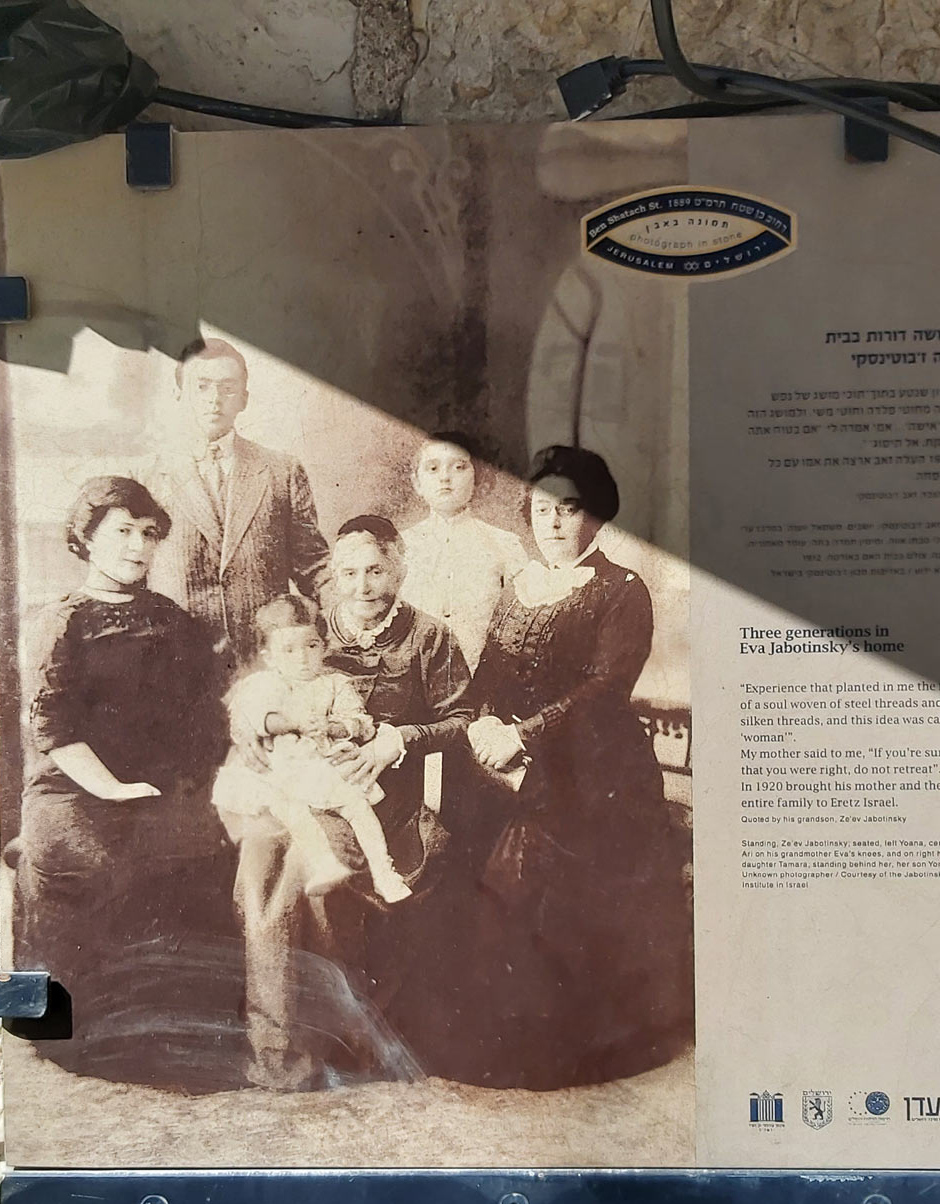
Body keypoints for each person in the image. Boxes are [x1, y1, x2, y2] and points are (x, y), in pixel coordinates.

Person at [448, 445, 694, 1091]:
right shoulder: (520, 586)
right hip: (516, 764)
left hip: (597, 772)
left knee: (532, 868)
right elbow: (488, 677)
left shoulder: (622, 590)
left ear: (597, 516)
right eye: (541, 508)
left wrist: (523, 735)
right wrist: (480, 720)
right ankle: (497, 1032)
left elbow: (605, 687)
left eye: (569, 508)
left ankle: (559, 1045)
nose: (552, 521)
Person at [12, 476, 240, 1089]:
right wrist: (115, 790)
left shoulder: (174, 619)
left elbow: (209, 712)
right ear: (85, 539)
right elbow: (54, 733)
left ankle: (177, 1035)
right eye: (121, 531)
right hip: (74, 788)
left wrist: (194, 787)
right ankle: (78, 1034)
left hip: (158, 787)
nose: (138, 546)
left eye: (148, 534)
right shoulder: (60, 622)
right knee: (107, 866)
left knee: (205, 858)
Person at [228, 516, 473, 1075]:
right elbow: (255, 710)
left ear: (399, 567)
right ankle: (276, 1043)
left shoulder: (429, 636)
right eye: (348, 573)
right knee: (257, 861)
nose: (362, 585)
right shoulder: (314, 632)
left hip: (383, 796)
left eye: (375, 570)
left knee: (317, 870)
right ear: (331, 576)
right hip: (297, 787)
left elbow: (462, 721)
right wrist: (265, 743)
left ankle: (342, 1038)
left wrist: (399, 739)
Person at [143, 338, 329, 671]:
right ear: (179, 393)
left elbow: (314, 567)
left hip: (267, 667)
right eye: (202, 387)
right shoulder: (147, 476)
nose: (214, 400)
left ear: (244, 399)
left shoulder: (281, 471)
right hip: (178, 669)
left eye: (228, 389)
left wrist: (354, 616)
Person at [400, 432, 527, 671]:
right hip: (414, 679)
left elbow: (519, 625)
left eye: (458, 467)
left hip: (484, 679)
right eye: (433, 468)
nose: (445, 478)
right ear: (417, 483)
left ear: (477, 477)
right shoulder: (400, 547)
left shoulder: (505, 544)